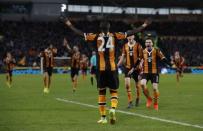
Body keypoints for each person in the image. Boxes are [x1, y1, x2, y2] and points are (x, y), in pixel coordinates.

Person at [64, 18, 151, 124]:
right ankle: (113, 109)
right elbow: (132, 32)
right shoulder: (115, 35)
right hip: (112, 68)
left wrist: (69, 24)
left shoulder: (95, 36)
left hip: (100, 69)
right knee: (113, 92)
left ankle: (103, 117)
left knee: (101, 93)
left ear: (100, 29)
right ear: (109, 28)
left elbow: (80, 33)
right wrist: (144, 25)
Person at [129, 38, 171, 111]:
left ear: (152, 44)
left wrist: (170, 64)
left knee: (155, 88)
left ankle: (155, 103)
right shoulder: (143, 51)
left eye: (149, 42)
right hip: (145, 72)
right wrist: (132, 69)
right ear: (145, 44)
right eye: (146, 42)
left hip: (154, 73)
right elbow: (138, 61)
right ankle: (149, 98)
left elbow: (163, 58)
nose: (148, 43)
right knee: (142, 84)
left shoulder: (156, 50)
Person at [117, 34, 143, 108]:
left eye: (130, 36)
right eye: (128, 36)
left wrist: (141, 64)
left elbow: (141, 57)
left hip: (137, 68)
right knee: (127, 85)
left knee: (137, 85)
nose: (129, 37)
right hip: (128, 67)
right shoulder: (125, 46)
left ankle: (138, 98)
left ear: (133, 36)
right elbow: (122, 57)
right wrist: (116, 66)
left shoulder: (138, 46)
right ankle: (130, 102)